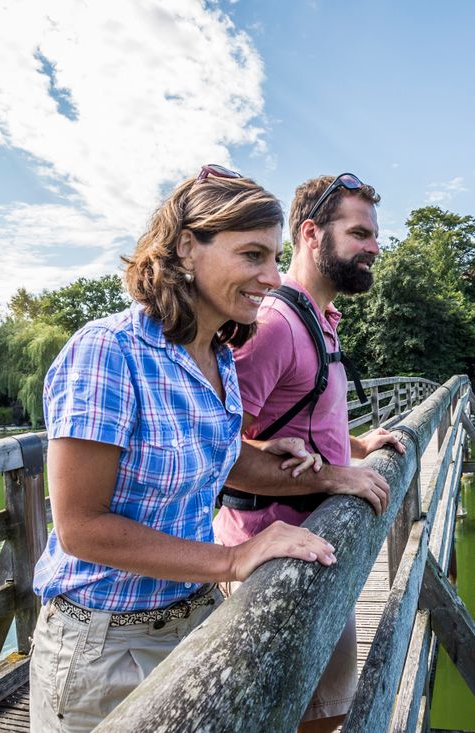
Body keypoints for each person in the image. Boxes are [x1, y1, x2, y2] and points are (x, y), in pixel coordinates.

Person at [29, 165, 342, 733]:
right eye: (252, 255)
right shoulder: (108, 352)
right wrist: (233, 558)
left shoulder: (218, 355)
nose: (273, 277)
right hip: (106, 647)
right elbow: (80, 526)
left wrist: (295, 464)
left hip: (196, 618)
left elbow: (219, 459)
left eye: (275, 257)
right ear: (185, 248)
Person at [216, 173, 406, 732]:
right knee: (302, 718)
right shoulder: (275, 324)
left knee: (330, 711)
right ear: (311, 233)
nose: (374, 247)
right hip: (270, 565)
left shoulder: (320, 320)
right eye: (359, 233)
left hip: (315, 546)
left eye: (374, 235)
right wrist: (333, 478)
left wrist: (358, 445)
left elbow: (300, 417)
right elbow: (220, 445)